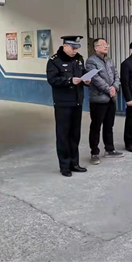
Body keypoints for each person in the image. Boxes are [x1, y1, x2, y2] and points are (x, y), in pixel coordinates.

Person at [46, 36, 91, 177]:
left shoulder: (78, 59)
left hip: (77, 101)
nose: (75, 51)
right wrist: (70, 81)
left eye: (77, 48)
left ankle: (74, 163)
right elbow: (52, 80)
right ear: (65, 46)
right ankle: (64, 165)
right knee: (63, 135)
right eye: (73, 48)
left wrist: (86, 79)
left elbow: (82, 73)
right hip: (63, 103)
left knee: (75, 134)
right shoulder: (55, 61)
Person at [86, 38, 124, 165]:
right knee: (96, 126)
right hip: (98, 99)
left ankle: (109, 149)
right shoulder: (91, 61)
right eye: (102, 44)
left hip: (111, 98)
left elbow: (116, 75)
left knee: (109, 125)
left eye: (106, 44)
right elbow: (95, 78)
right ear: (96, 47)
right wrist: (108, 89)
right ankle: (94, 153)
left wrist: (115, 87)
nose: (106, 46)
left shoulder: (109, 60)